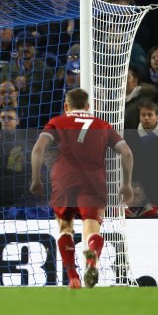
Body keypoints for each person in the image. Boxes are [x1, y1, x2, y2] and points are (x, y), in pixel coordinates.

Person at [30, 88, 134, 289]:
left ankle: (73, 277)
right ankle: (91, 260)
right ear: (88, 107)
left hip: (64, 178)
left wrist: (36, 178)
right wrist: (127, 183)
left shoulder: (59, 121)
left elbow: (38, 148)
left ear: (66, 106)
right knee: (91, 228)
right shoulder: (102, 124)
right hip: (94, 180)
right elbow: (127, 153)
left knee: (65, 228)